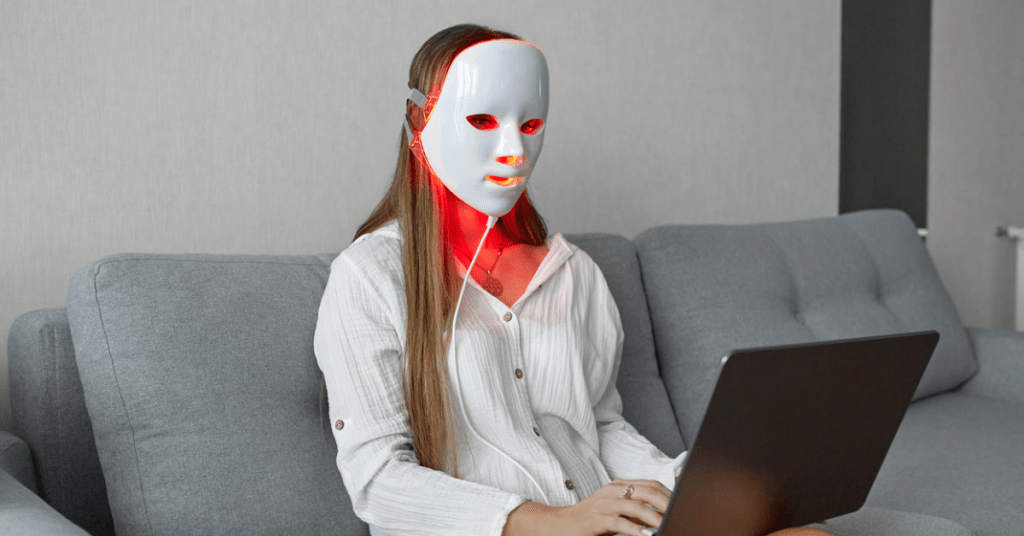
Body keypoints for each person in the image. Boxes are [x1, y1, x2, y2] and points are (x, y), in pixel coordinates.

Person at [314, 23, 833, 536]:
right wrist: (553, 522)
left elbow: (600, 428)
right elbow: (378, 479)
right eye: (482, 120)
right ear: (418, 121)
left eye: (531, 125)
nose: (515, 151)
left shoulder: (573, 273)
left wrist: (694, 488)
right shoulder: (369, 277)